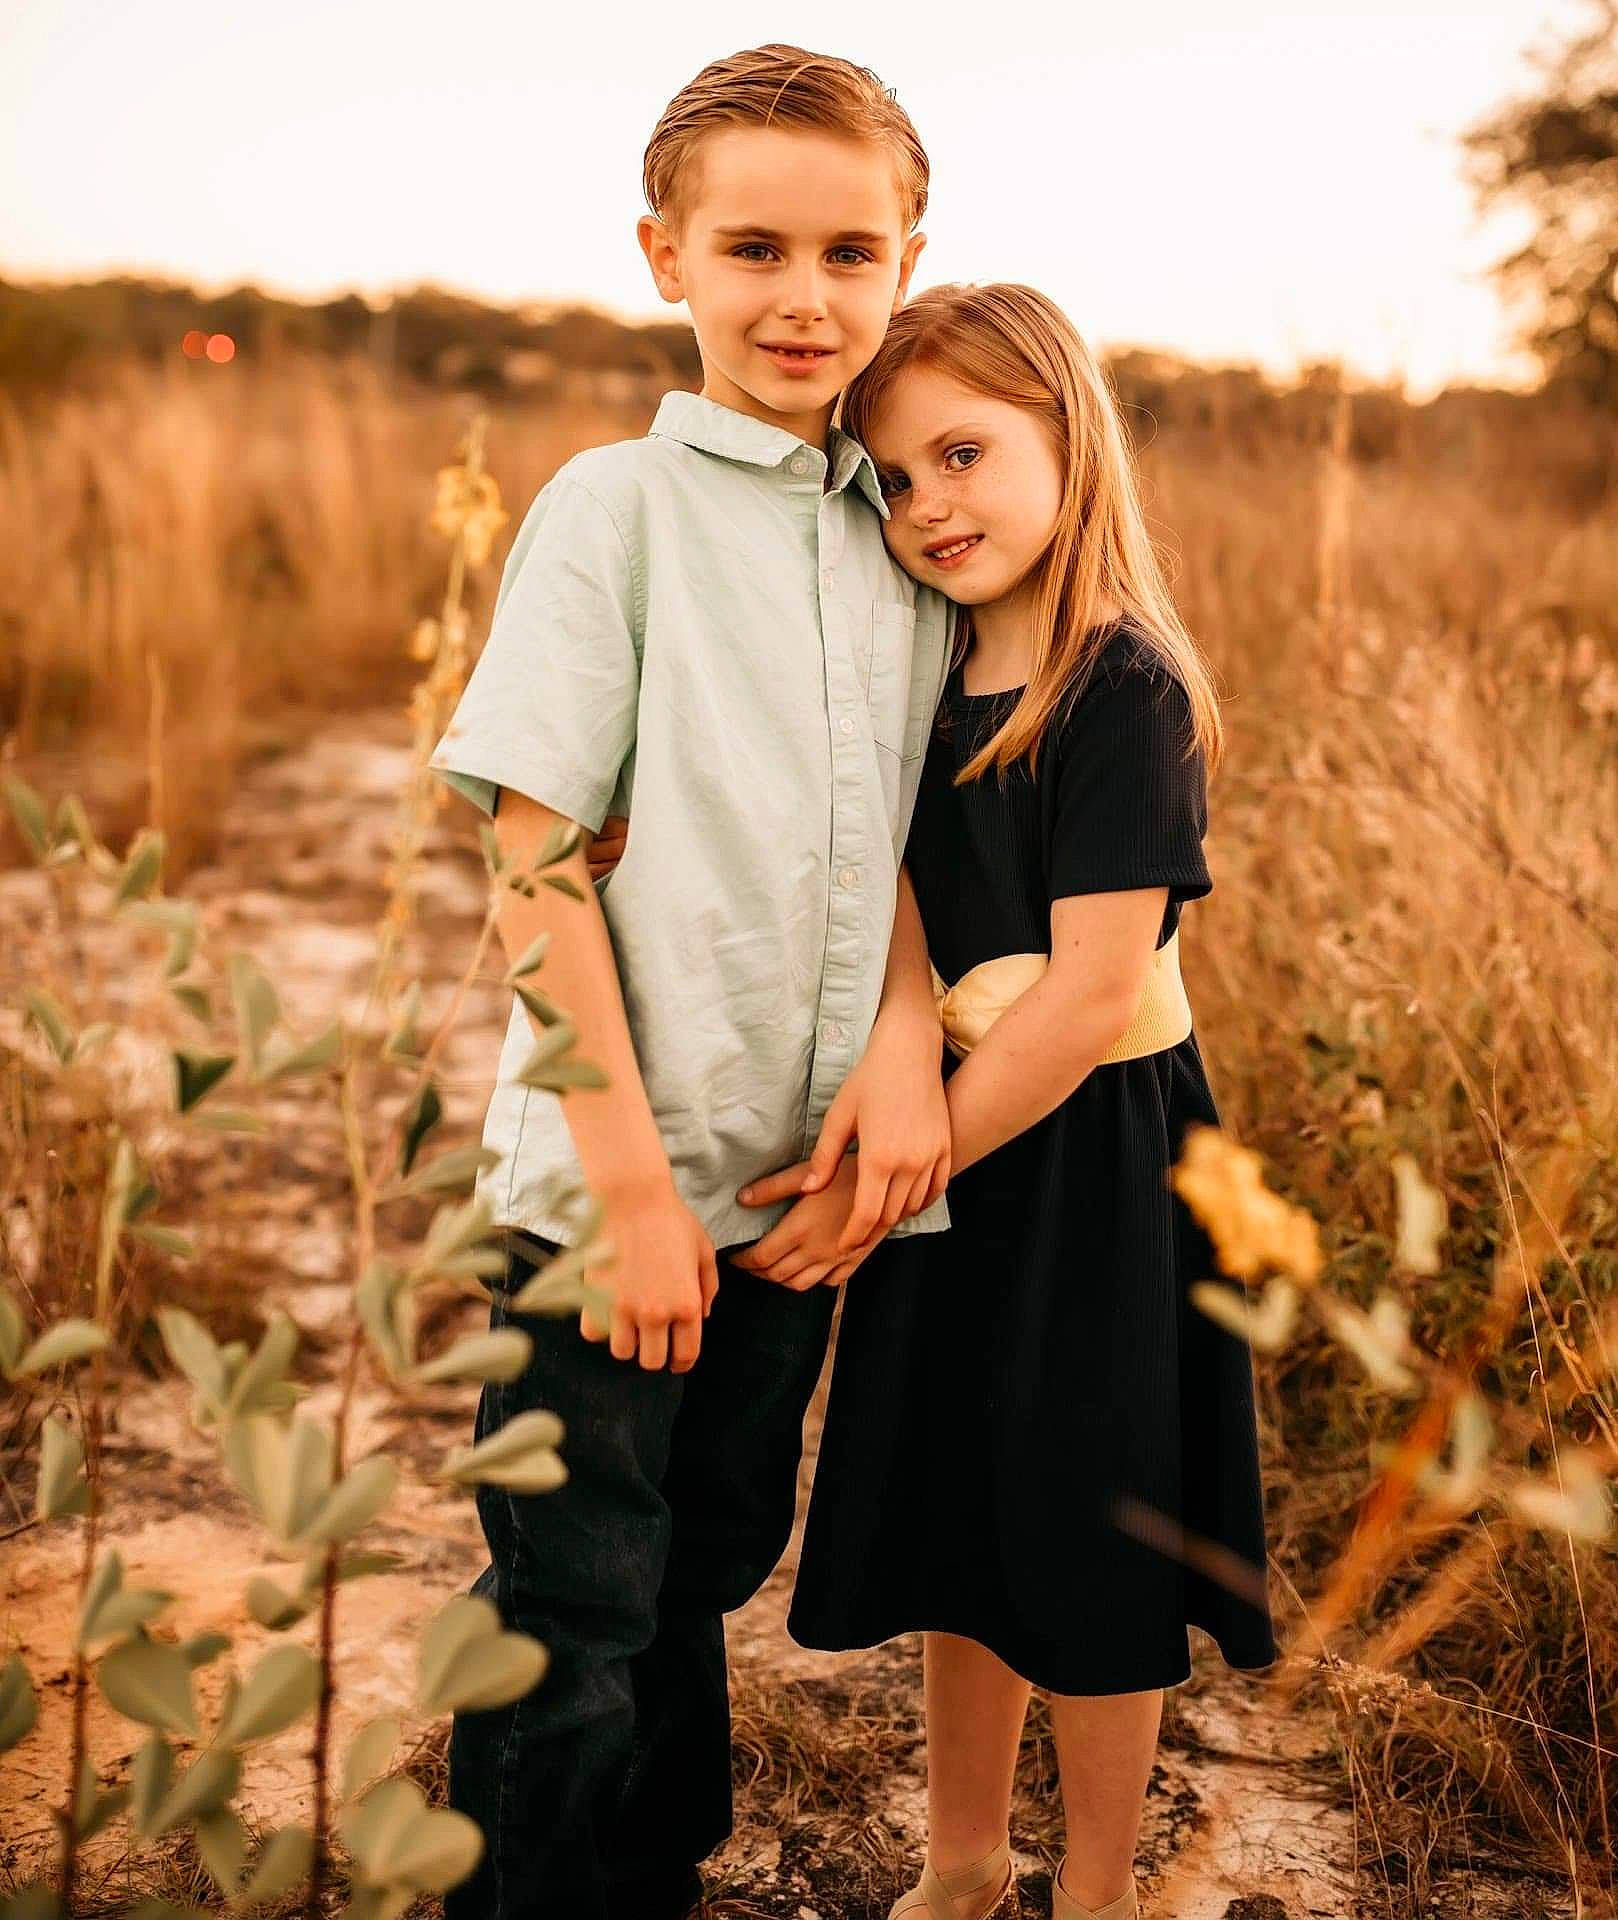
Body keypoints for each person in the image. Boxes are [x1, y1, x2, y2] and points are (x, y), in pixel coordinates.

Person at [428, 47, 956, 1920]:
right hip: (609, 1187)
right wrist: (634, 1193)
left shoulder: (912, 541)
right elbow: (530, 853)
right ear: (667, 256)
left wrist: (905, 1049)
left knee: (704, 1563)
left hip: (791, 1188)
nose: (804, 296)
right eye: (753, 247)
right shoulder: (613, 510)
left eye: (849, 251)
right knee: (570, 1605)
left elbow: (885, 839)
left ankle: (652, 1875)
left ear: (909, 262)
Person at [741, 284, 1279, 1920]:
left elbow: (1093, 996)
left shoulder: (1123, 685)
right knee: (961, 1518)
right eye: (893, 481)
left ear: (1070, 433)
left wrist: (894, 1177)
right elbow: (891, 889)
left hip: (1093, 1161)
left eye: (964, 455)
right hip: (952, 1138)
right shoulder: (915, 665)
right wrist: (903, 1079)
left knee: (1093, 1539)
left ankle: (1101, 1885)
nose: (930, 508)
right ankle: (961, 1862)